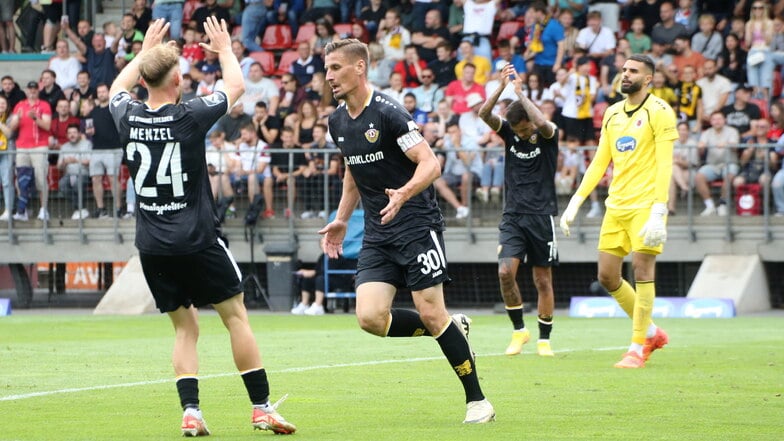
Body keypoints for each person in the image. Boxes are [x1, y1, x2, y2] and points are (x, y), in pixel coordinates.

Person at [108, 17, 297, 435]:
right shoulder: (189, 116)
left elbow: (114, 91)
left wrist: (142, 56)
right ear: (177, 79)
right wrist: (225, 48)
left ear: (145, 78)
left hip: (153, 245)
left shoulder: (129, 116)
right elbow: (235, 88)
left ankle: (191, 412)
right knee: (235, 317)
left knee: (185, 327)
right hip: (197, 238)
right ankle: (262, 408)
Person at [319, 38, 494, 424]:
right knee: (370, 318)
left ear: (359, 68)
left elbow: (430, 164)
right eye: (327, 68)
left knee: (430, 312)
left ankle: (478, 401)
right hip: (379, 233)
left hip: (416, 224)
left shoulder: (390, 113)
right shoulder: (337, 121)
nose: (329, 76)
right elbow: (353, 171)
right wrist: (343, 218)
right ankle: (452, 328)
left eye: (335, 67)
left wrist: (403, 193)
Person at [560, 54, 675, 368]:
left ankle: (637, 346)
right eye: (624, 70)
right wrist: (576, 201)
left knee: (641, 271)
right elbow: (600, 162)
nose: (626, 75)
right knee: (607, 276)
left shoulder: (660, 112)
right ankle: (650, 331)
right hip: (617, 205)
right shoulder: (611, 113)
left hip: (647, 205)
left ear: (648, 78)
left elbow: (666, 163)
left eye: (633, 71)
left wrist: (659, 209)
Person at [477, 62, 560, 357]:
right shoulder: (511, 133)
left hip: (541, 216)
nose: (521, 134)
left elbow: (542, 123)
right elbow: (483, 114)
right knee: (504, 273)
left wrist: (522, 95)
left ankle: (544, 339)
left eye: (524, 129)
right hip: (513, 215)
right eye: (517, 130)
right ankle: (519, 331)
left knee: (542, 280)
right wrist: (501, 88)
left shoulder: (548, 135)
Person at [8, 81, 52, 222]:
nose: (32, 91)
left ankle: (44, 209)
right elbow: (12, 128)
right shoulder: (19, 105)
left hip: (40, 146)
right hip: (22, 146)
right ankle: (22, 210)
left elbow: (47, 125)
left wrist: (35, 118)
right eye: (30, 89)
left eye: (34, 89)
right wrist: (18, 118)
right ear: (26, 90)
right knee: (21, 180)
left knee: (40, 179)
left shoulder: (44, 105)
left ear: (37, 90)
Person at [57, 123, 92, 220]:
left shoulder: (87, 144)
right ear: (67, 135)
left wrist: (76, 161)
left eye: (74, 133)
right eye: (70, 133)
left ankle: (79, 210)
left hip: (84, 173)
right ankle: (80, 209)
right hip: (68, 174)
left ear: (79, 133)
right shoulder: (64, 147)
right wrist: (64, 162)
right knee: (62, 184)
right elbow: (59, 166)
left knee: (78, 184)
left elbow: (90, 161)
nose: (72, 135)